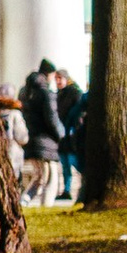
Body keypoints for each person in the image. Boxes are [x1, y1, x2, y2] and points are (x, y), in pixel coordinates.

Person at [19, 59, 62, 205]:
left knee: (39, 177)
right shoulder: (45, 93)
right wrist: (61, 135)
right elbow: (52, 118)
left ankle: (23, 201)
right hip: (45, 141)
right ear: (49, 74)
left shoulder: (25, 92)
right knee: (50, 178)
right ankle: (46, 205)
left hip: (31, 140)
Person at [55, 72, 85, 201]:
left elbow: (77, 114)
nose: (58, 81)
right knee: (65, 164)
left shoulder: (74, 93)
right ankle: (66, 189)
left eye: (60, 78)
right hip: (63, 134)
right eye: (56, 79)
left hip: (71, 134)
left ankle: (83, 185)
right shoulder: (58, 95)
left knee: (74, 162)